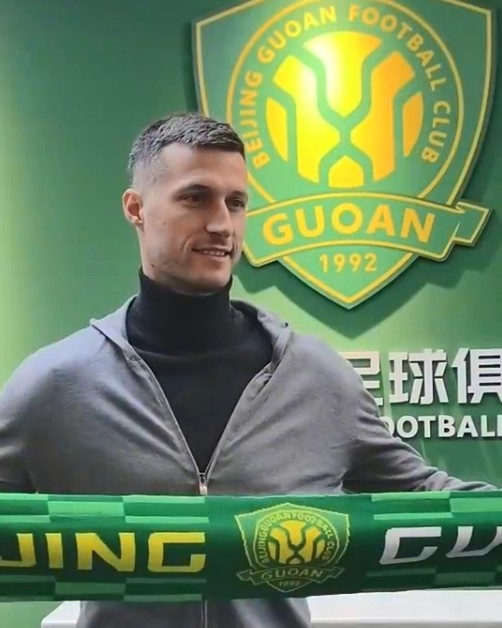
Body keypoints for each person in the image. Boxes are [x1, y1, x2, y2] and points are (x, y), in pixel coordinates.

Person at [0, 112, 494, 628]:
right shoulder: (58, 384)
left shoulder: (316, 378)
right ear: (136, 208)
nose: (222, 224)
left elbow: (429, 498)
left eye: (236, 203)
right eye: (196, 198)